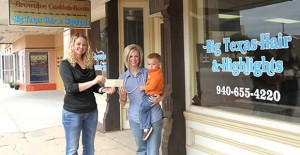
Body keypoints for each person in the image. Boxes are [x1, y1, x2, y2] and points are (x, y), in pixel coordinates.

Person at [59, 33, 115, 155]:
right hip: (73, 112)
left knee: (89, 146)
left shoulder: (89, 63)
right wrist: (94, 80)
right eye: (78, 44)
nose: (81, 47)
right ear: (72, 45)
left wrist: (104, 90)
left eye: (84, 44)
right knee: (72, 149)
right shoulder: (65, 64)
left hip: (91, 111)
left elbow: (94, 86)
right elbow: (71, 88)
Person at [118, 44, 164, 155]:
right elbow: (122, 103)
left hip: (154, 117)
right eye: (130, 56)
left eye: (136, 56)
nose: (133, 59)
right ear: (126, 58)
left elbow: (163, 89)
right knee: (141, 151)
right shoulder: (123, 78)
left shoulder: (149, 72)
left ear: (140, 58)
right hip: (135, 119)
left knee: (153, 152)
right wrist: (122, 96)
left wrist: (160, 98)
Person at [139, 53, 164, 141]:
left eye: (153, 64)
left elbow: (152, 86)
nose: (150, 66)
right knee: (145, 109)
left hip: (153, 95)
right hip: (150, 94)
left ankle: (146, 128)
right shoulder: (152, 72)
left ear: (159, 64)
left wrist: (143, 87)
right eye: (149, 64)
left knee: (143, 109)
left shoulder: (157, 73)